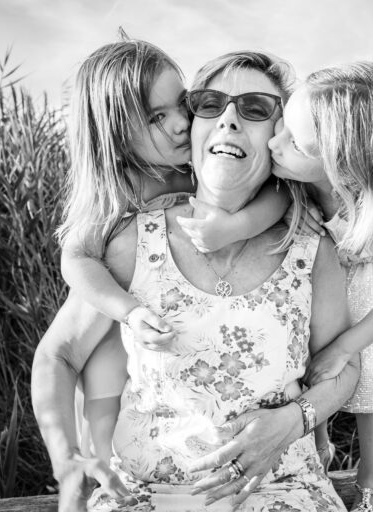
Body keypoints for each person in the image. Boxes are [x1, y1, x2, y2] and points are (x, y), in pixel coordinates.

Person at [32, 50, 361, 512]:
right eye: (210, 103)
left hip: (280, 489)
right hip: (146, 495)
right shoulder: (130, 236)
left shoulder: (312, 247)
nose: (228, 118)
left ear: (280, 136)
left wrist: (294, 421)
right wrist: (68, 461)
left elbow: (343, 368)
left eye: (255, 108)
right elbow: (60, 353)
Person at [54, 37, 290, 464]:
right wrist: (125, 309)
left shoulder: (192, 163)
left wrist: (236, 227)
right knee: (103, 388)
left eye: (182, 104)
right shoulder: (122, 190)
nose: (182, 122)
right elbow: (76, 258)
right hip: (128, 336)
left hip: (171, 347)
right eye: (156, 117)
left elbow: (280, 193)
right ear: (117, 136)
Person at [268, 62, 373, 512]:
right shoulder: (297, 183)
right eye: (282, 128)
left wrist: (347, 346)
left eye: (295, 144)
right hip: (327, 294)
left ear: (345, 163)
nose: (274, 144)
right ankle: (317, 450)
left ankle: (371, 481)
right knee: (307, 364)